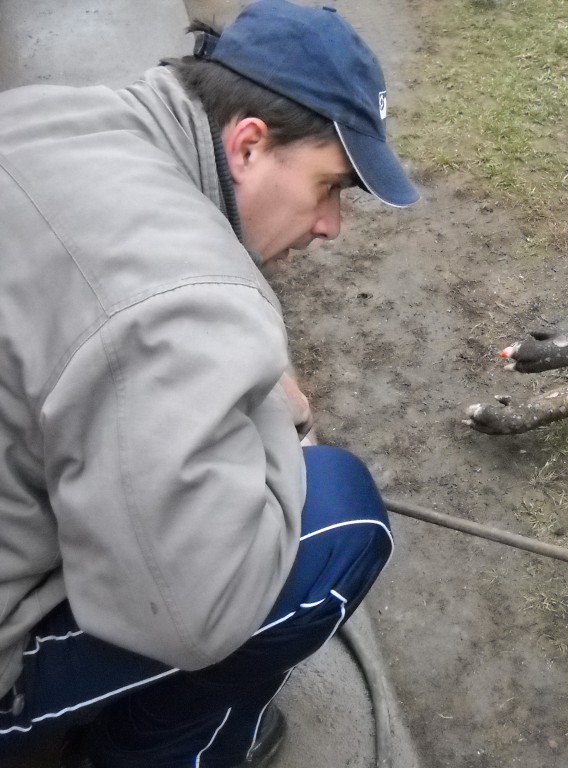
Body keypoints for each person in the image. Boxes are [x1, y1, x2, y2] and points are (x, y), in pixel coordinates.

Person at [0, 1, 418, 766]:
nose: (332, 225)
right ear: (248, 144)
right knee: (340, 515)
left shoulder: (46, 116)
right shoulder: (189, 298)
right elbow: (197, 618)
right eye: (329, 185)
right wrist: (280, 429)